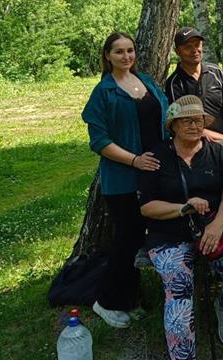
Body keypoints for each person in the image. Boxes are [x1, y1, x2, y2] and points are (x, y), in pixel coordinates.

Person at [139, 95, 223, 359]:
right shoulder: (158, 156)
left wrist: (216, 225)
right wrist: (182, 208)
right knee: (180, 290)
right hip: (169, 236)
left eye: (199, 120)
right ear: (173, 126)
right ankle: (183, 355)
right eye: (186, 120)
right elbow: (146, 206)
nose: (193, 125)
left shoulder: (215, 152)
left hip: (213, 231)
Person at [81, 32, 169, 329]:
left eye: (130, 50)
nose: (126, 56)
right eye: (119, 52)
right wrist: (134, 160)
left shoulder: (146, 81)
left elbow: (166, 116)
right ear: (107, 56)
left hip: (155, 173)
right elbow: (99, 141)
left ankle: (129, 299)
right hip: (123, 178)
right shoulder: (104, 92)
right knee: (127, 238)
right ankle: (105, 300)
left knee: (140, 239)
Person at [165, 26, 223, 140]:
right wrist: (213, 136)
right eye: (188, 47)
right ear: (177, 51)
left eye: (197, 45)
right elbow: (176, 122)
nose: (194, 50)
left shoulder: (216, 72)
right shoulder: (174, 84)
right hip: (193, 147)